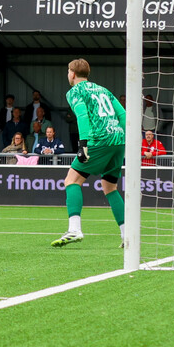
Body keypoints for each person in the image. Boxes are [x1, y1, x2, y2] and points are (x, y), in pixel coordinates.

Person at [52, 59, 126, 248]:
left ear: (73, 74)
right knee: (110, 187)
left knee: (71, 181)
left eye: (68, 71)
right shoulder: (103, 90)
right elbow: (123, 115)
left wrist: (83, 144)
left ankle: (75, 229)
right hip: (118, 140)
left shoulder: (75, 91)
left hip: (99, 140)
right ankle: (127, 235)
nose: (68, 74)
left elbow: (83, 116)